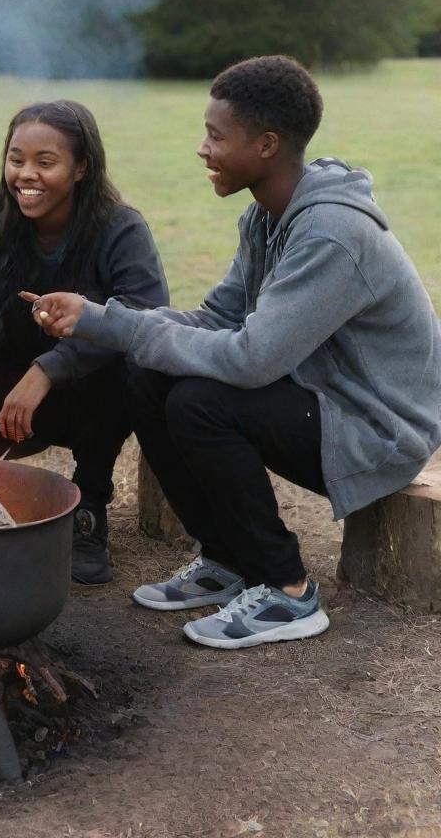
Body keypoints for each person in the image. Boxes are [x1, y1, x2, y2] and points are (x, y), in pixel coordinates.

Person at [25, 55, 441, 648]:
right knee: (148, 373)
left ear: (267, 145)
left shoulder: (330, 234)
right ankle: (225, 559)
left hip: (379, 428)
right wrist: (105, 321)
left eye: (216, 136)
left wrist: (106, 322)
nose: (203, 148)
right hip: (322, 399)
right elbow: (217, 319)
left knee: (203, 401)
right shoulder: (265, 218)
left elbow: (250, 360)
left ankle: (288, 591)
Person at [0, 100, 169, 585]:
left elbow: (145, 320)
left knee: (133, 371)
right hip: (0, 380)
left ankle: (88, 512)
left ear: (82, 167)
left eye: (45, 162)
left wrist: (50, 369)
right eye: (16, 159)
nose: (25, 175)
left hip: (83, 396)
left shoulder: (121, 229)